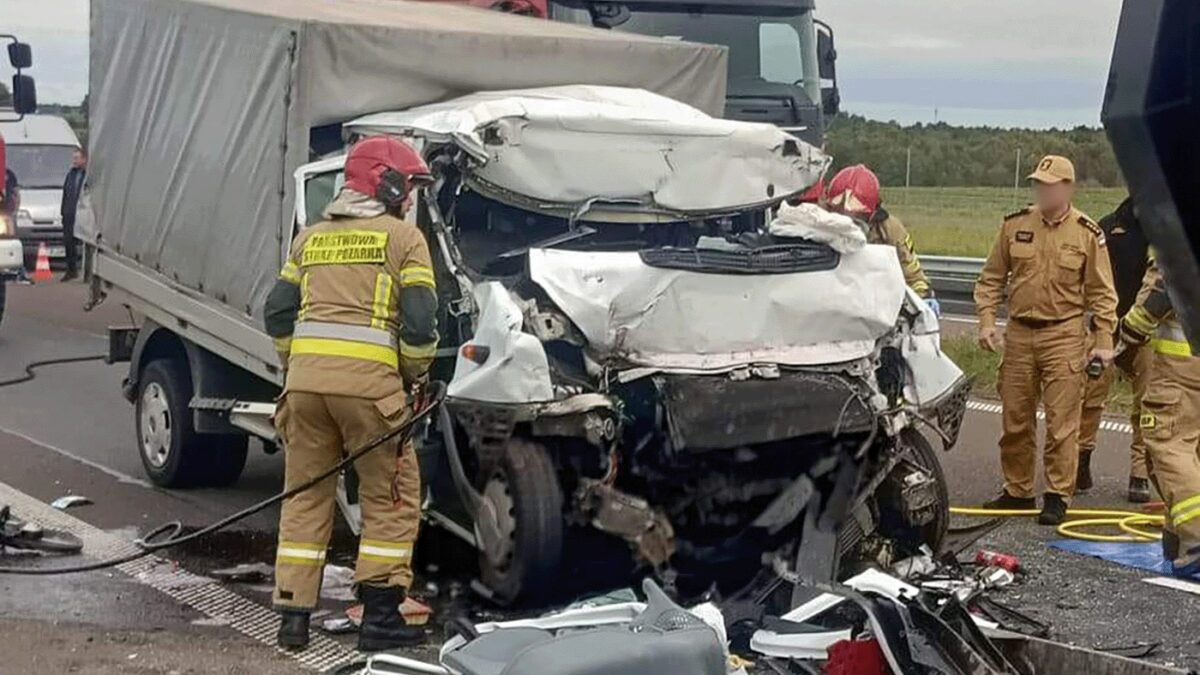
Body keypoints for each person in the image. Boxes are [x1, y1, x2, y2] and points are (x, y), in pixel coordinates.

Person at [263, 136, 439, 651]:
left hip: (305, 390)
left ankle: (293, 620)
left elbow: (277, 311)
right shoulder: (404, 240)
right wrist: (414, 375)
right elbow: (422, 320)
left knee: (304, 496)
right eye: (406, 186)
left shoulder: (310, 239)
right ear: (383, 184)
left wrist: (294, 363)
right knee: (390, 496)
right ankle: (380, 619)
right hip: (372, 394)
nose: (409, 198)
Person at [974, 155, 1118, 525]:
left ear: (1067, 188)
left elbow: (1103, 294)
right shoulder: (1014, 225)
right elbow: (991, 278)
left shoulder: (1087, 233)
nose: (1042, 190)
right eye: (1038, 183)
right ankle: (1018, 490)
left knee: (1062, 422)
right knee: (1015, 418)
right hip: (1020, 332)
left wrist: (1103, 341)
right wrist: (988, 320)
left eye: (1049, 184)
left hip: (1065, 334)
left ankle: (1057, 494)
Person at [1118, 255, 1200, 577]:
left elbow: (1164, 290)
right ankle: (1177, 538)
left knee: (1170, 448)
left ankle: (1195, 537)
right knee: (1192, 452)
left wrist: (1130, 328)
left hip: (1182, 371)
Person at [1076, 197, 1153, 502]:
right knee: (1090, 397)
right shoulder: (1106, 227)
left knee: (1148, 404)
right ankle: (1081, 461)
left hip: (1146, 332)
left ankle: (1140, 474)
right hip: (1105, 328)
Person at [825, 164, 938, 313]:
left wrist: (923, 300)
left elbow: (914, 276)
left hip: (877, 305)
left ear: (872, 214)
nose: (848, 226)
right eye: (839, 216)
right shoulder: (813, 223)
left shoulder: (891, 230)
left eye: (857, 219)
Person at [60, 148, 87, 281]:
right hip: (69, 214)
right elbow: (65, 194)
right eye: (73, 158)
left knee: (86, 244)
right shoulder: (70, 174)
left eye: (77, 158)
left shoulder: (87, 175)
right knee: (68, 242)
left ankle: (87, 273)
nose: (74, 161)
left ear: (84, 159)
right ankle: (71, 270)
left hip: (83, 214)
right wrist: (63, 212)